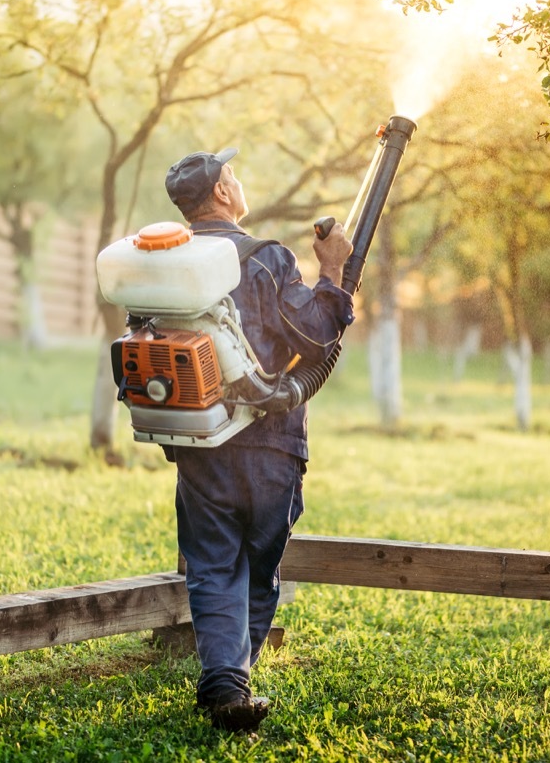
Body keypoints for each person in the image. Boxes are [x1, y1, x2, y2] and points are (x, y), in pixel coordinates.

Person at [162, 146, 354, 733]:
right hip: (270, 447)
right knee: (259, 566)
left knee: (213, 565)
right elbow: (317, 339)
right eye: (234, 175)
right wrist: (335, 271)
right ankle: (230, 685)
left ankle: (227, 682)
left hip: (201, 447)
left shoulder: (167, 262)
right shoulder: (265, 258)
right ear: (222, 191)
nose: (239, 182)